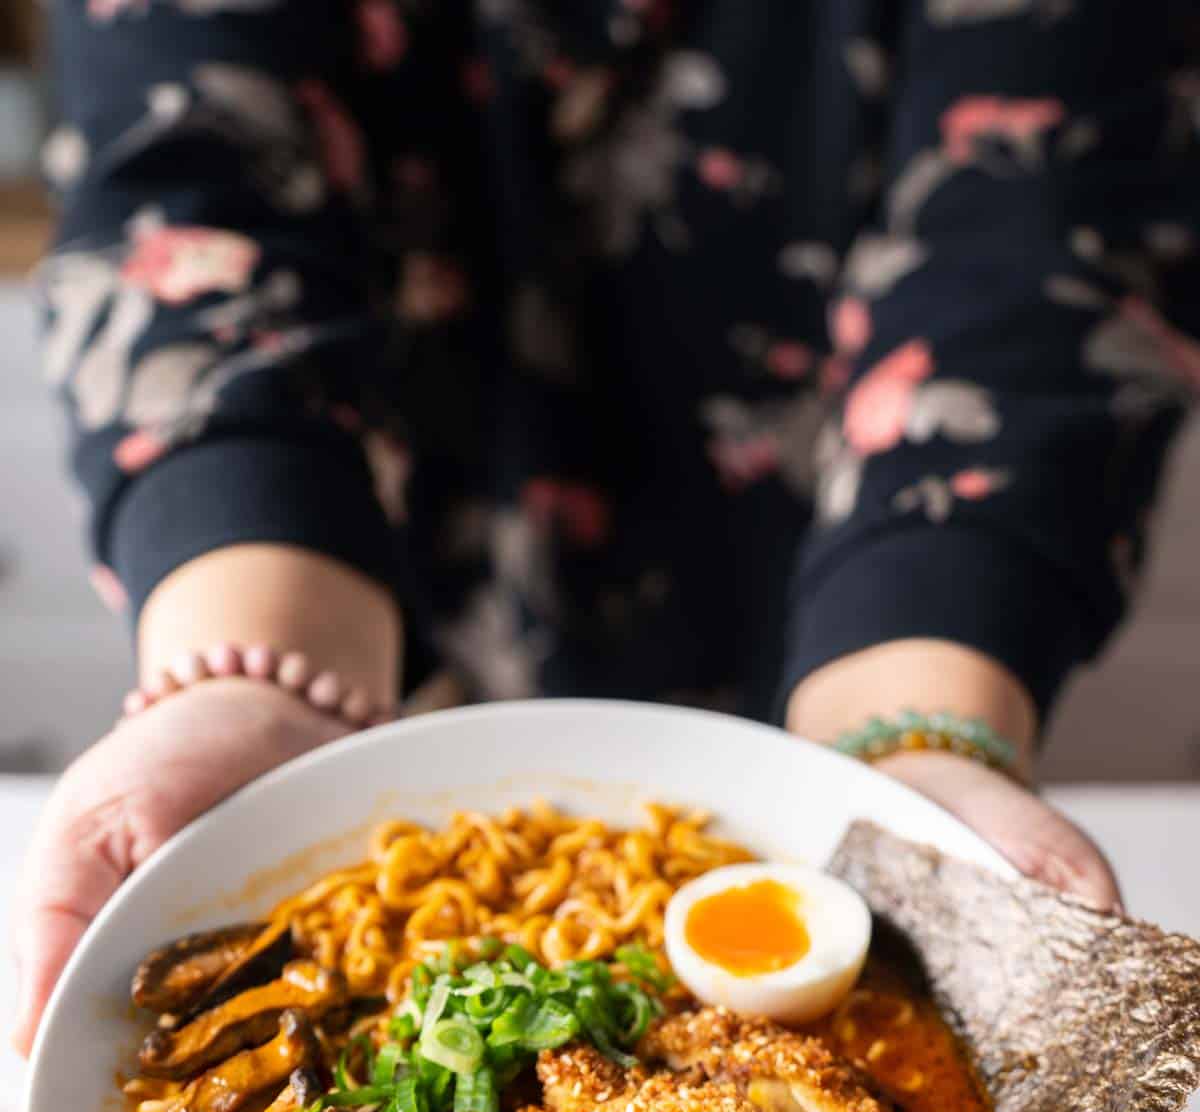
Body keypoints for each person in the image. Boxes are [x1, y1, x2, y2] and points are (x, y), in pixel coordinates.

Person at [16, 0, 1197, 1055]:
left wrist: (914, 747)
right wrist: (251, 674)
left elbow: (1039, 232)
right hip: (389, 535)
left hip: (836, 550)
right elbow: (186, 171)